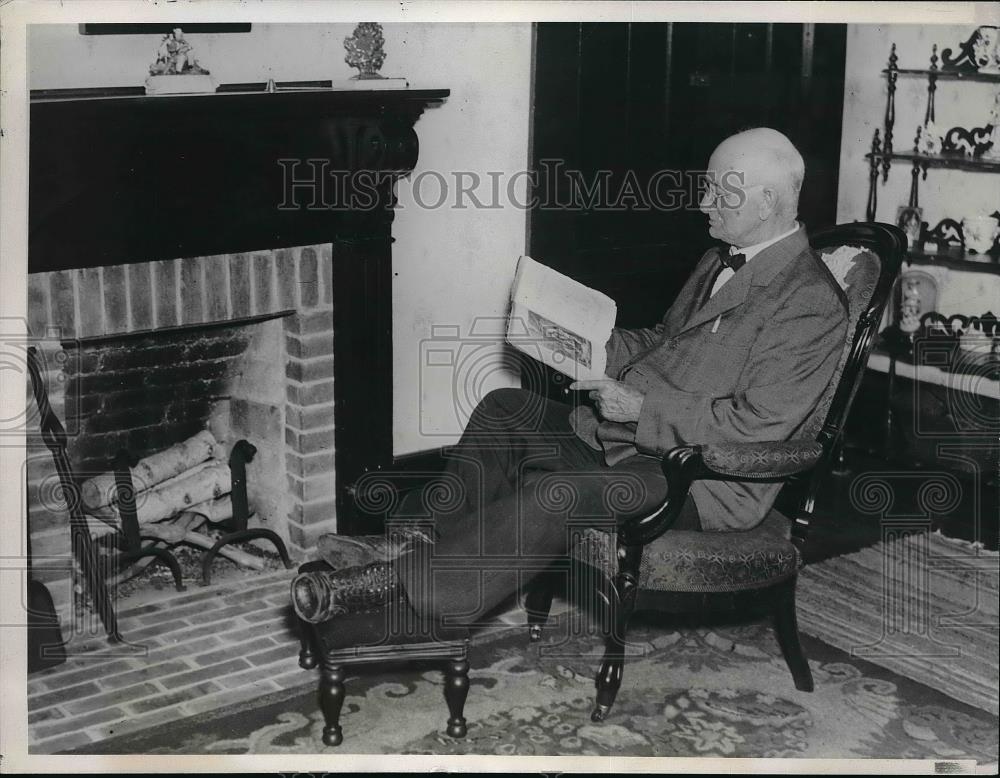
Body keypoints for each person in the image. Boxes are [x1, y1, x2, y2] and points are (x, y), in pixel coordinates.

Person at [291, 127, 849, 627]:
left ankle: (400, 589)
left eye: (715, 191)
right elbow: (664, 339)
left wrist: (641, 411)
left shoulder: (809, 302)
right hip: (632, 447)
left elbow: (756, 427)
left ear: (767, 200)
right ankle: (415, 543)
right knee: (505, 408)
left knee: (551, 493)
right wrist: (587, 344)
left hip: (700, 483)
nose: (702, 202)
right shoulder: (722, 257)